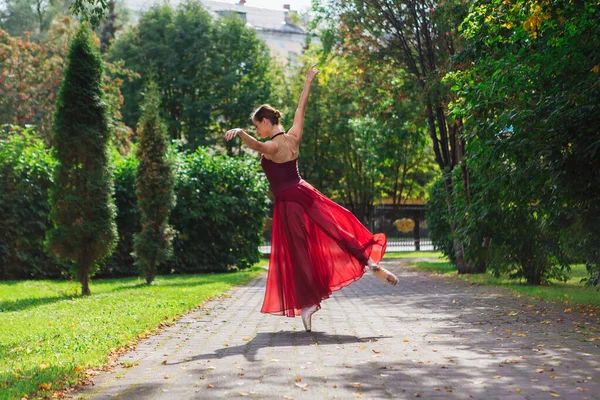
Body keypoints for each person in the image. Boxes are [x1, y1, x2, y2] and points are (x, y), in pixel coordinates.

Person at [225, 65, 398, 332]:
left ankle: (308, 304)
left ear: (267, 122)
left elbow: (259, 146)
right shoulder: (293, 137)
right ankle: (371, 264)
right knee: (338, 230)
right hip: (305, 191)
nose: (256, 129)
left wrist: (239, 132)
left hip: (288, 203)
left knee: (298, 253)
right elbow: (301, 108)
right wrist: (308, 81)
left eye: (256, 125)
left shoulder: (272, 146)